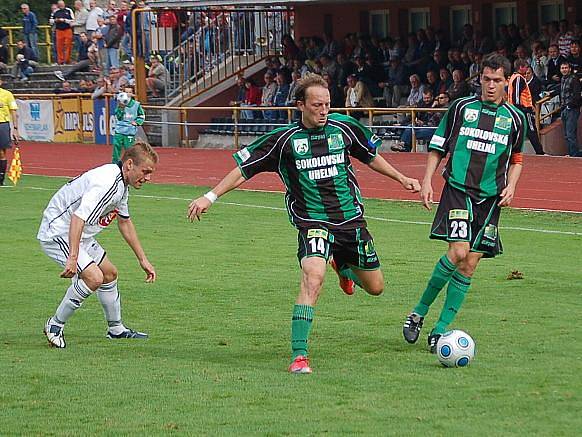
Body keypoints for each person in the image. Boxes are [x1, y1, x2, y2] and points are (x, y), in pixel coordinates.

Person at [187, 74, 421, 374]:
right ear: (301, 105)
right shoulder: (284, 140)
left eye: (327, 104)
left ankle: (344, 267)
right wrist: (210, 196)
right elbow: (243, 170)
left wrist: (401, 179)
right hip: (313, 223)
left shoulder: (344, 128)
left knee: (375, 288)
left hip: (351, 222)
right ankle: (299, 356)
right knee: (313, 278)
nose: (324, 110)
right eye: (317, 105)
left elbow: (371, 156)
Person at [402, 53, 526, 352]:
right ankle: (418, 312)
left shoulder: (516, 119)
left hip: (491, 199)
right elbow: (437, 146)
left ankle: (440, 330)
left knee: (470, 264)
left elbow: (517, 159)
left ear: (507, 81)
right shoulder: (461, 108)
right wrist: (429, 180)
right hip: (458, 188)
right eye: (486, 79)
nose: (491, 85)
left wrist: (512, 185)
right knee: (458, 251)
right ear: (479, 79)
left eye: (497, 80)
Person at [38, 141, 158, 348]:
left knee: (109, 274)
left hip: (78, 232)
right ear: (129, 164)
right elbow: (78, 217)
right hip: (58, 230)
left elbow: (124, 222)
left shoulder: (121, 183)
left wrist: (143, 260)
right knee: (94, 277)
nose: (148, 178)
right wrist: (73, 258)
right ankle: (54, 325)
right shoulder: (107, 182)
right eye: (145, 171)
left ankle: (116, 329)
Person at [507, 59, 545, 154]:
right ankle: (539, 152)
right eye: (525, 67)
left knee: (518, 130)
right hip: (522, 109)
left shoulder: (513, 77)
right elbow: (516, 96)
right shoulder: (519, 78)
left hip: (518, 108)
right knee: (531, 130)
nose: (527, 69)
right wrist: (520, 109)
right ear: (521, 67)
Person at [112, 92, 145, 162]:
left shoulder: (136, 105)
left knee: (129, 148)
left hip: (130, 130)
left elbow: (141, 116)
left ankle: (130, 161)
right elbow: (119, 117)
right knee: (116, 145)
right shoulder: (120, 105)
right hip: (119, 129)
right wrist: (121, 109)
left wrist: (137, 122)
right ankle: (115, 163)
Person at [559, 61, 582, 157]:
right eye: (562, 68)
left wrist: (570, 105)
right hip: (564, 108)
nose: (564, 70)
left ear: (569, 69)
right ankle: (571, 153)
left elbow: (577, 95)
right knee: (567, 134)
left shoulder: (574, 79)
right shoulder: (563, 79)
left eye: (566, 68)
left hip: (572, 109)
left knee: (570, 133)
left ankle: (574, 154)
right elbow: (560, 90)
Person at [0, 78, 19, 186]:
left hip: (2, 124)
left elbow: (14, 111)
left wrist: (15, 129)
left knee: (1, 152)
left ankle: (1, 177)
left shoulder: (7, 94)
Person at [53, 0, 75, 65]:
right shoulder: (55, 11)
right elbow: (51, 21)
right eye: (60, 4)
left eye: (62, 4)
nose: (61, 5)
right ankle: (60, 61)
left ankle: (67, 60)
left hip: (67, 29)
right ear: (58, 5)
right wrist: (56, 20)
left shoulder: (69, 10)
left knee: (68, 45)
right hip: (59, 30)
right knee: (59, 46)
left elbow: (73, 20)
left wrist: (64, 20)